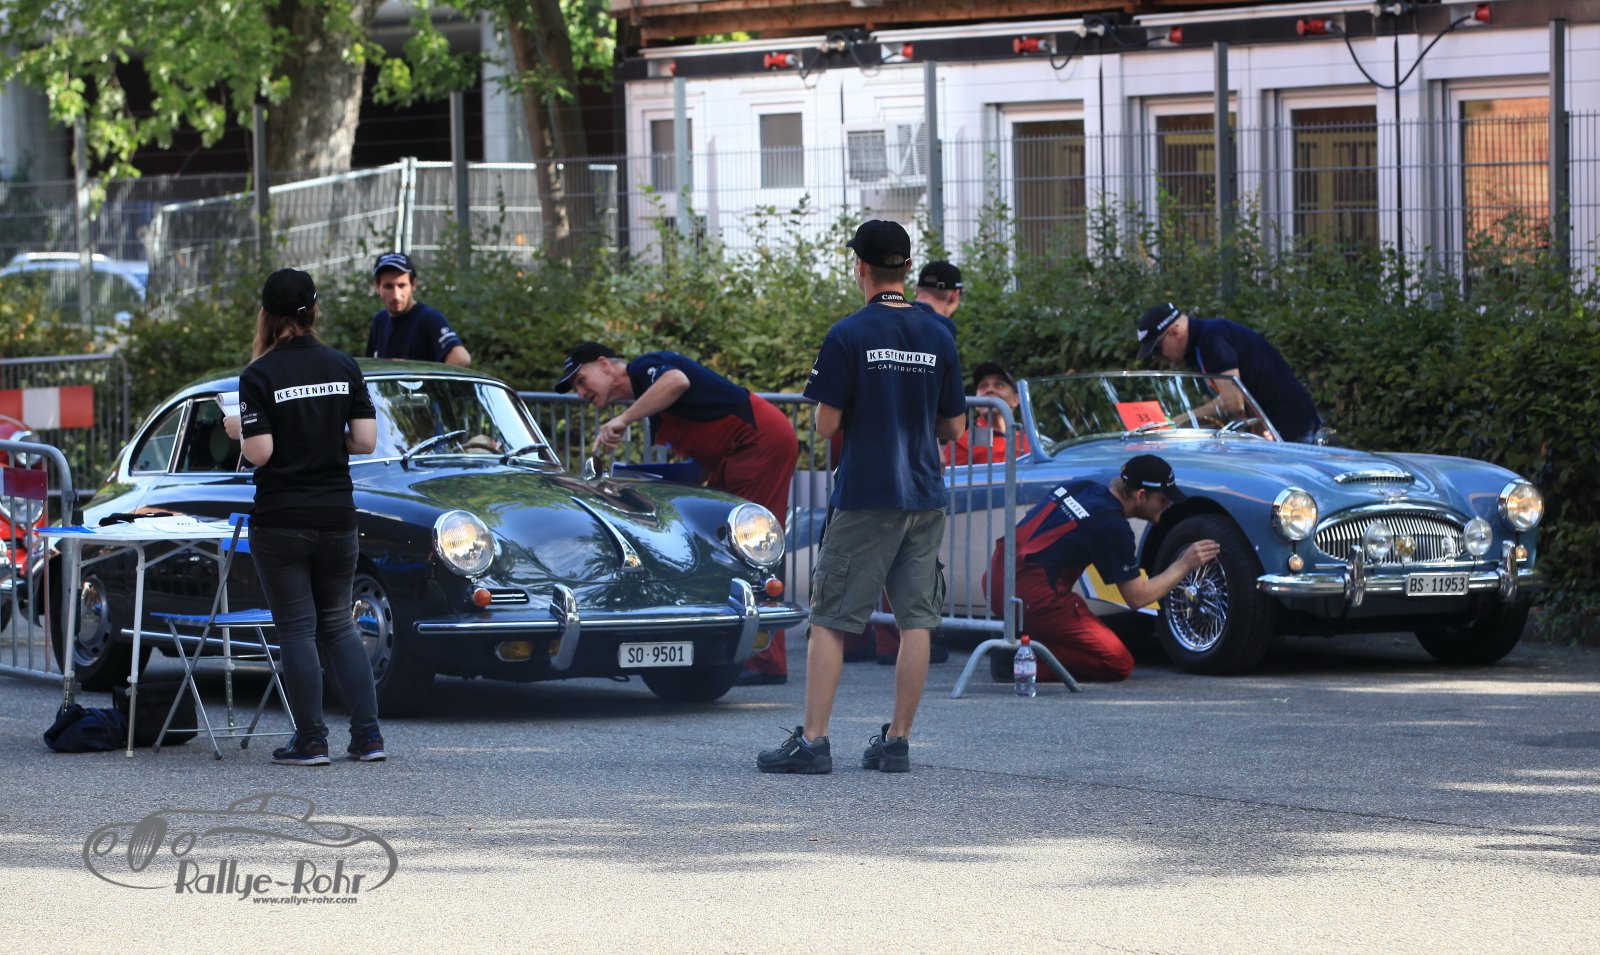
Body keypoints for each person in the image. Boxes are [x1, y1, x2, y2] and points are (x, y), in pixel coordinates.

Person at [756, 219, 966, 775]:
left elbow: (827, 425)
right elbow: (954, 427)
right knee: (916, 620)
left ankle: (814, 741)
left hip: (868, 491)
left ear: (860, 268)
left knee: (830, 618)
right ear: (907, 268)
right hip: (924, 493)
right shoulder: (938, 334)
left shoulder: (848, 333)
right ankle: (897, 742)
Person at [555, 342, 799, 685]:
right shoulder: (652, 401)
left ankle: (764, 661)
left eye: (581, 381)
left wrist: (623, 419)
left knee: (748, 545)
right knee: (716, 540)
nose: (581, 394)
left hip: (758, 442)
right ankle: (726, 646)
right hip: (738, 451)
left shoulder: (646, 367)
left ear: (605, 365)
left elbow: (677, 381)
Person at [224, 268, 385, 765]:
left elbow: (261, 453)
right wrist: (320, 435)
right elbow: (365, 441)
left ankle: (312, 740)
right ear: (314, 311)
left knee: (296, 629)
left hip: (282, 517)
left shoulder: (259, 375)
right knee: (338, 624)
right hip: (336, 514)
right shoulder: (343, 365)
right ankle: (368, 738)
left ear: (266, 315)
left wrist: (237, 428)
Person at [985, 454, 1219, 682]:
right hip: (1031, 597)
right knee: (1117, 661)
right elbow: (1137, 598)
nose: (1167, 505)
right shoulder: (1112, 525)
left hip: (996, 577)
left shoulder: (1080, 487)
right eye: (1163, 500)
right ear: (1140, 495)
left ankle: (1026, 635)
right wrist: (1184, 564)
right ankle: (1017, 662)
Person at [1135, 303, 1322, 443]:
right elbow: (1219, 409)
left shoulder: (1212, 339)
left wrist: (1174, 422)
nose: (1159, 357)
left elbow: (1232, 402)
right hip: (1274, 432)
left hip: (1294, 433)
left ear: (1174, 331)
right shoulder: (1197, 349)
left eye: (1157, 349)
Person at [365, 252, 471, 366]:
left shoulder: (430, 319)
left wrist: (422, 375)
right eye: (388, 286)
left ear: (413, 285)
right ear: (377, 287)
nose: (396, 295)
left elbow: (461, 358)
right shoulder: (379, 321)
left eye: (402, 285)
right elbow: (369, 366)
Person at [946, 361, 1031, 465]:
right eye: (983, 386)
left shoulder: (1030, 441)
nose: (989, 390)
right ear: (976, 403)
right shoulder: (962, 441)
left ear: (1015, 400)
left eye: (999, 385)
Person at [913, 260, 962, 337]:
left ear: (916, 289)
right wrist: (945, 317)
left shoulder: (894, 314)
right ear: (954, 296)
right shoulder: (944, 326)